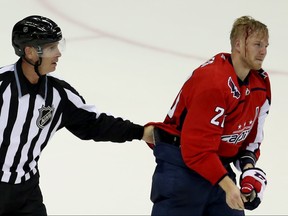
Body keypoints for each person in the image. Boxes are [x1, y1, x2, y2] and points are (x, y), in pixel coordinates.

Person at [0, 15, 154, 216]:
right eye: (50, 48)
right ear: (29, 52)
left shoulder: (59, 94)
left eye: (58, 46)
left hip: (26, 193)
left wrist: (140, 132)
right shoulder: (2, 86)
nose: (58, 54)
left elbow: (94, 124)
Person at [147, 15, 270, 216]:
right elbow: (196, 149)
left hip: (217, 167)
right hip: (181, 167)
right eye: (257, 44)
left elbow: (250, 137)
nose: (264, 52)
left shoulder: (260, 84)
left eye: (266, 45)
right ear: (238, 44)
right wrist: (229, 187)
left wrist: (249, 169)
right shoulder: (213, 81)